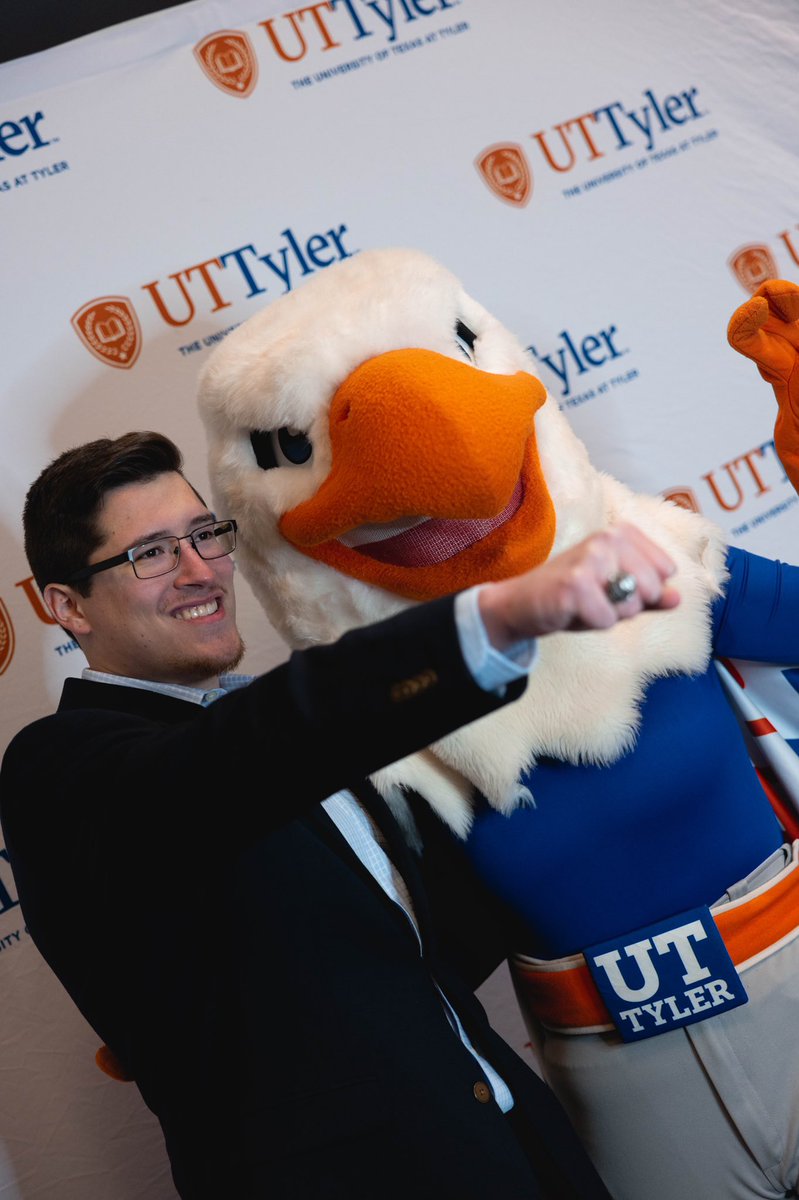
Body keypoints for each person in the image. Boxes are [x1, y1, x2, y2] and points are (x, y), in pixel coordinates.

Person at [0, 431, 676, 1200]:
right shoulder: (61, 767)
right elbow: (233, 764)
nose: (199, 571)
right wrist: (491, 620)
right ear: (65, 607)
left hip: (517, 1153)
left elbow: (406, 957)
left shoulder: (269, 730)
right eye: (150, 553)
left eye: (204, 535)